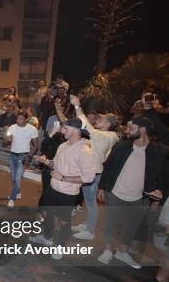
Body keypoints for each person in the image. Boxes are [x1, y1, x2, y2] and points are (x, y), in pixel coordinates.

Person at [96, 117, 169, 269]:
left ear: (143, 130)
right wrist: (102, 187)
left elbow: (164, 176)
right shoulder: (121, 146)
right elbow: (108, 167)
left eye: (131, 128)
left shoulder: (160, 151)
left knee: (132, 225)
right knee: (110, 222)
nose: (127, 131)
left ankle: (123, 252)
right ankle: (108, 250)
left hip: (140, 196)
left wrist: (158, 197)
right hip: (115, 192)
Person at [31, 118, 95, 259]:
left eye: (65, 128)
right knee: (47, 214)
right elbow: (57, 165)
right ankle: (47, 238)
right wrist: (46, 161)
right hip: (52, 188)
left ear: (76, 130)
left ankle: (60, 247)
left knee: (64, 221)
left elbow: (89, 177)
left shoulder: (85, 151)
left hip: (68, 193)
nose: (62, 130)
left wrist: (64, 178)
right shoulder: (63, 145)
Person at [69, 96, 119, 240]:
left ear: (109, 124)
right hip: (93, 171)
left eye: (102, 119)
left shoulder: (104, 136)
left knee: (91, 203)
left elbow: (85, 124)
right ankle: (87, 224)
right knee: (88, 201)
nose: (98, 120)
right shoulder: (108, 135)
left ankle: (90, 232)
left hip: (94, 173)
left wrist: (77, 106)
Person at [4, 111, 39, 207]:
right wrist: (6, 137)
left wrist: (29, 156)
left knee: (17, 178)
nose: (18, 121)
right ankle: (18, 193)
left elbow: (36, 145)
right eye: (17, 118)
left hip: (23, 156)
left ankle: (12, 198)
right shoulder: (12, 127)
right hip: (12, 155)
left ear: (26, 119)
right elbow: (5, 143)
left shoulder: (32, 129)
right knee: (14, 178)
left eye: (21, 119)